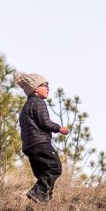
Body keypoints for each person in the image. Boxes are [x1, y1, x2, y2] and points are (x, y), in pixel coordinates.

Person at [15, 72, 70, 202]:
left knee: (42, 172)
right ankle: (37, 193)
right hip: (40, 143)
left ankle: (44, 198)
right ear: (34, 89)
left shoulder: (26, 106)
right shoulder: (38, 102)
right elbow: (44, 122)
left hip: (29, 146)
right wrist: (59, 128)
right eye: (44, 85)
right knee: (54, 167)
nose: (48, 88)